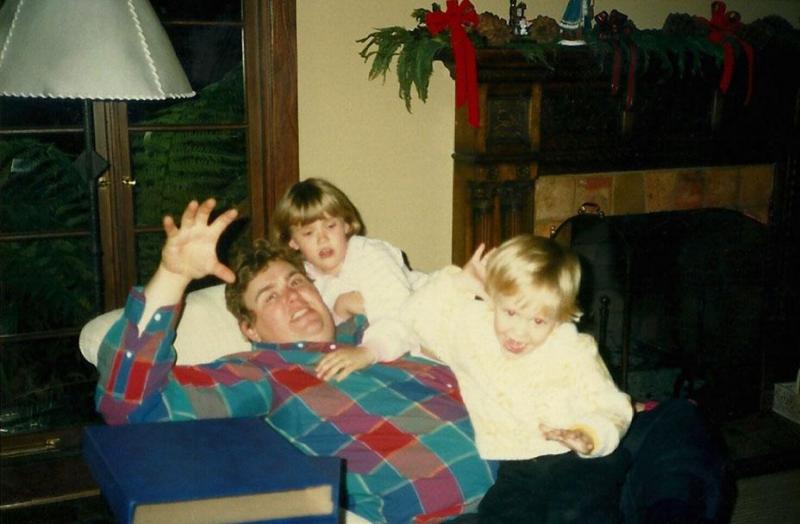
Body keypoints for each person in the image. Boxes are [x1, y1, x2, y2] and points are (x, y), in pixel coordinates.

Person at [94, 198, 496, 523]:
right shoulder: (261, 372)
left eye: (297, 282)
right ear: (250, 329)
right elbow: (130, 406)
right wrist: (172, 275)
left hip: (523, 460)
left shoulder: (381, 325)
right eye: (270, 296)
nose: (292, 296)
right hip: (461, 512)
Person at [402, 235, 631, 522]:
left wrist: (590, 435)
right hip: (518, 468)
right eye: (511, 312)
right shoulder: (472, 330)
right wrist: (460, 281)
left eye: (538, 321)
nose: (519, 332)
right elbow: (413, 317)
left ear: (560, 316)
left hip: (580, 461)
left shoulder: (572, 348)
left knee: (575, 513)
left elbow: (613, 405)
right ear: (494, 298)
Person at [270, 178, 426, 380]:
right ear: (292, 241)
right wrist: (341, 308)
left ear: (346, 225)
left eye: (330, 226)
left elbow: (399, 314)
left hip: (438, 307)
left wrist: (368, 352)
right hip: (402, 344)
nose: (322, 239)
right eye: (308, 233)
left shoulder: (369, 254)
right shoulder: (305, 281)